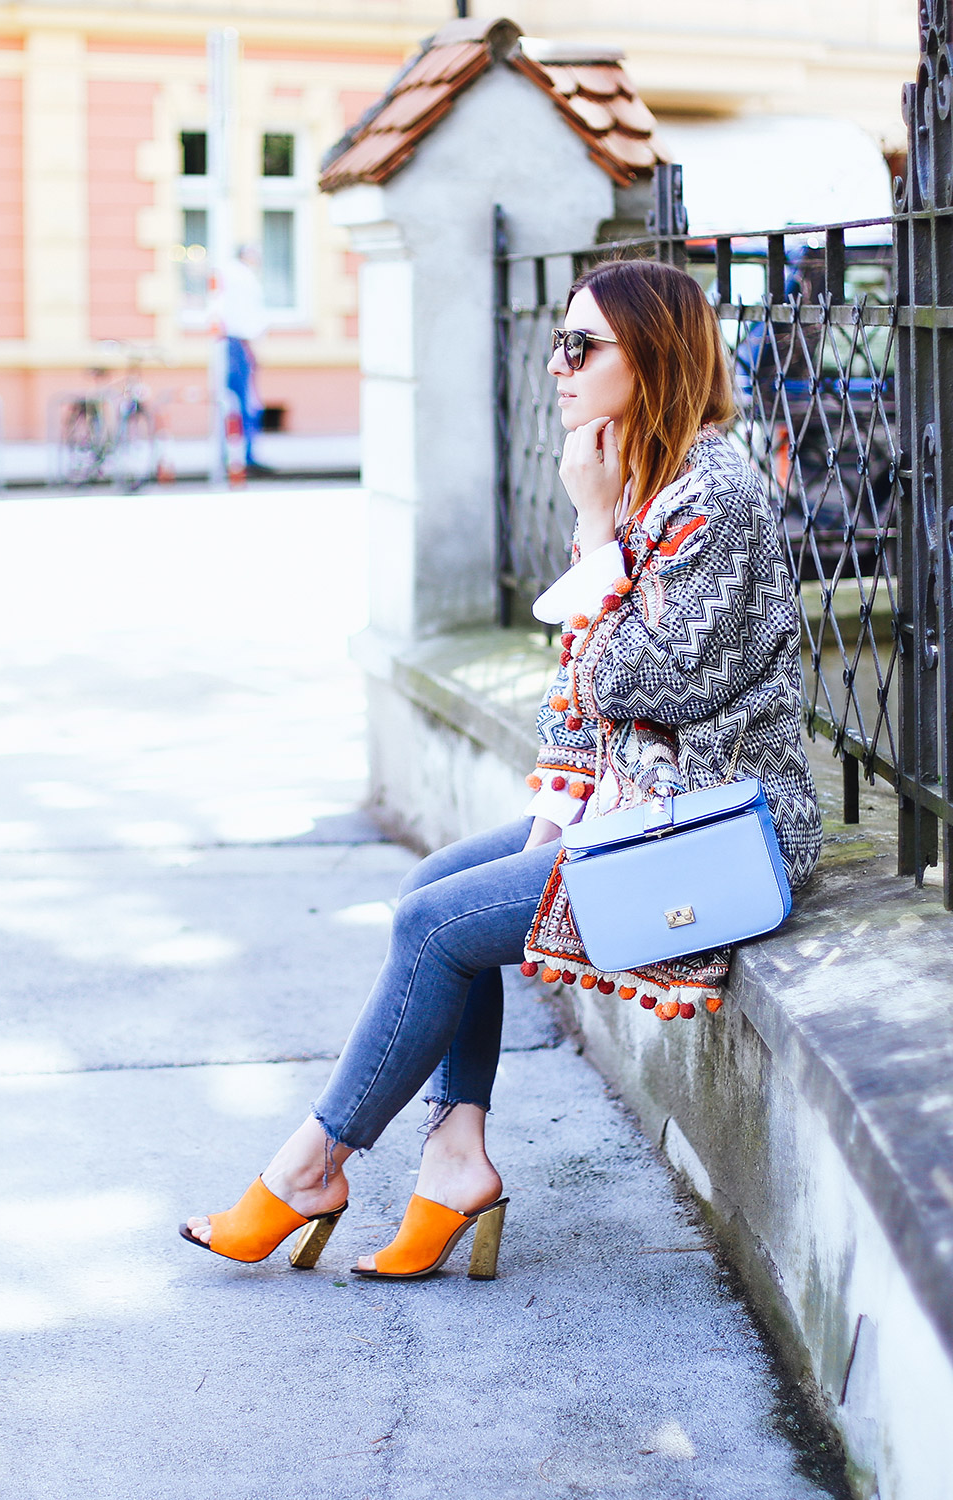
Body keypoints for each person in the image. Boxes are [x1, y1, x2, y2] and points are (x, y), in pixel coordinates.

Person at [180, 259, 821, 1280]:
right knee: (430, 890)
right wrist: (602, 527)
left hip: (713, 835)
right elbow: (575, 684)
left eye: (581, 347)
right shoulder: (649, 484)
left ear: (652, 355)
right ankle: (454, 1157)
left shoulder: (716, 496)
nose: (558, 367)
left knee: (434, 928)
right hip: (640, 810)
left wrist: (597, 527)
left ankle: (311, 1168)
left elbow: (634, 682)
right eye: (555, 344)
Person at [219, 244, 268, 473]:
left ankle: (231, 453)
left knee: (230, 401)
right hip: (239, 344)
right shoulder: (243, 278)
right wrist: (252, 349)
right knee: (245, 400)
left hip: (232, 343)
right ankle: (245, 454)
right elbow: (245, 318)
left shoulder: (233, 276)